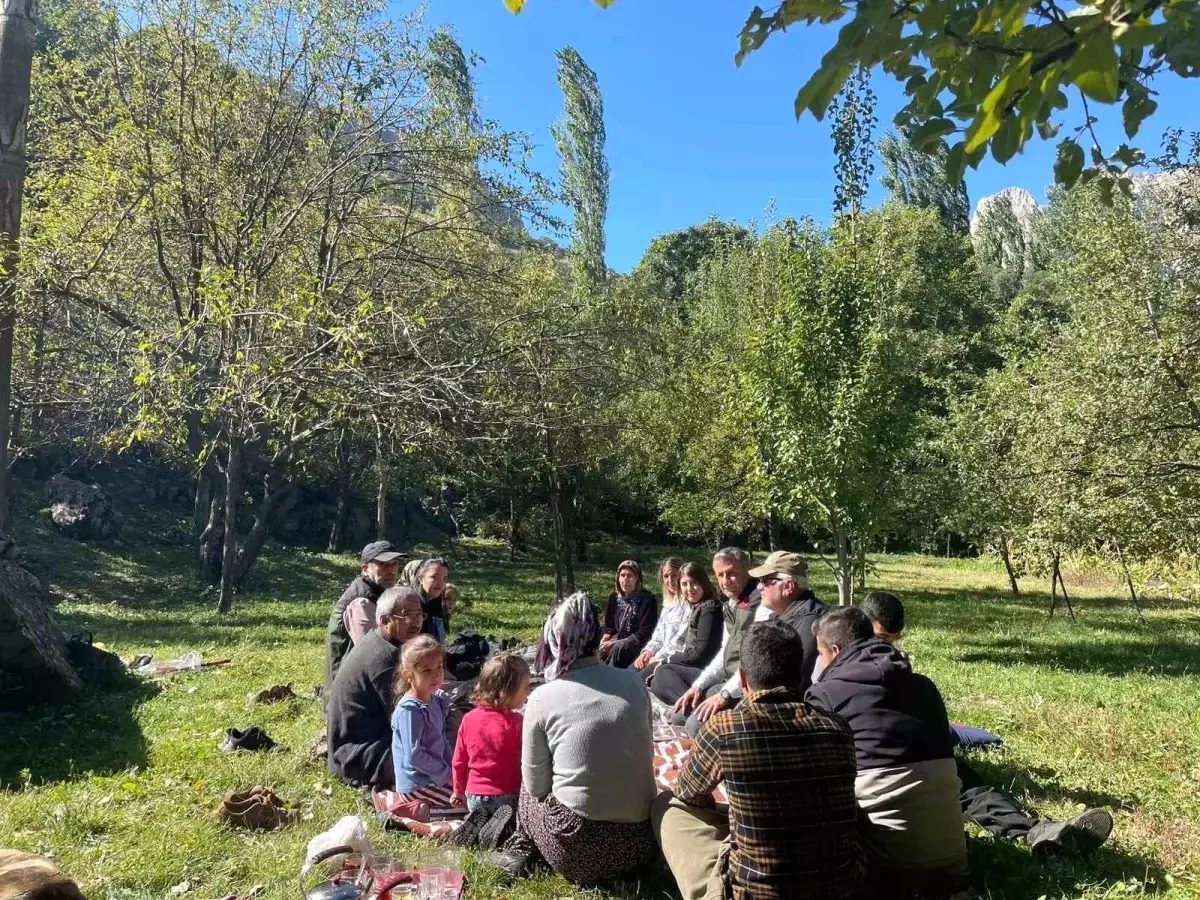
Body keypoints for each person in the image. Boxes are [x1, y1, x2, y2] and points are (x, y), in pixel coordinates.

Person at [859, 590, 1115, 855]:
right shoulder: (836, 664)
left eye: (893, 640)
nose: (886, 649)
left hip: (918, 749)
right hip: (872, 768)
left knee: (967, 781)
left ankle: (1039, 833)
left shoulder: (899, 668)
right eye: (881, 639)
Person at [654, 621, 864, 900]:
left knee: (668, 809)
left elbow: (687, 793)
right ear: (800, 675)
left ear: (743, 680)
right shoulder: (838, 728)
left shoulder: (725, 728)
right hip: (842, 888)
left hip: (754, 892)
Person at [806, 608, 968, 897]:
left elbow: (816, 778)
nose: (819, 662)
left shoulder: (825, 695)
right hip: (952, 860)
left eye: (820, 653)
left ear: (835, 650)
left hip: (884, 869)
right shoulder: (926, 687)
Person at [496, 592, 657, 883]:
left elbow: (537, 786)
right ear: (597, 635)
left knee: (527, 790)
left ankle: (520, 848)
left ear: (554, 640)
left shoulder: (543, 698)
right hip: (640, 843)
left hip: (578, 850)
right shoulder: (634, 682)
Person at [327, 587, 425, 789]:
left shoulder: (382, 643)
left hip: (371, 743)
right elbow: (407, 717)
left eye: (419, 615)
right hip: (360, 756)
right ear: (384, 620)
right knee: (442, 748)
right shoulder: (383, 658)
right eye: (407, 615)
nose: (416, 622)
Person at [671, 547, 759, 734]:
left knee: (694, 727)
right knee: (678, 715)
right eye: (720, 575)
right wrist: (698, 686)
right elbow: (723, 652)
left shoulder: (758, 604)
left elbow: (754, 663)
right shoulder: (730, 604)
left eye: (731, 573)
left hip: (746, 686)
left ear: (747, 570)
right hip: (726, 678)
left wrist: (724, 694)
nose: (725, 581)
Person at [324, 540, 405, 705]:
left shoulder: (380, 593)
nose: (391, 570)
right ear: (365, 568)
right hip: (351, 697)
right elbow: (374, 653)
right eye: (383, 564)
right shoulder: (361, 601)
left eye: (394, 564)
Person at [450, 654, 531, 813]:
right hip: (507, 795)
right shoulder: (517, 722)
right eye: (526, 687)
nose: (528, 692)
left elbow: (459, 760)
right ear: (506, 692)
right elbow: (528, 759)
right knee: (510, 821)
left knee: (483, 820)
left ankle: (479, 822)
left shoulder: (468, 719)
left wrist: (457, 791)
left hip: (474, 795)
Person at [647, 562, 724, 706]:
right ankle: (683, 705)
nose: (689, 589)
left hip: (705, 669)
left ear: (703, 583)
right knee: (656, 683)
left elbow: (700, 654)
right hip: (694, 665)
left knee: (663, 671)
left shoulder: (710, 609)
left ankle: (692, 707)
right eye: (684, 584)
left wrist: (667, 659)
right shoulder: (697, 606)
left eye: (694, 583)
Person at [391, 635, 452, 794]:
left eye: (439, 667)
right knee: (466, 802)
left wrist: (453, 769)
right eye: (427, 671)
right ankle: (409, 806)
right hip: (417, 784)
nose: (436, 675)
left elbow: (441, 740)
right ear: (408, 675)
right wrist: (446, 774)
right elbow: (414, 755)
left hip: (437, 775)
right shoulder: (410, 710)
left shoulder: (435, 700)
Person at [632, 557, 687, 680]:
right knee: (628, 673)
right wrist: (648, 652)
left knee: (636, 680)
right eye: (666, 576)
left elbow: (680, 642)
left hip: (673, 660)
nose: (670, 580)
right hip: (657, 655)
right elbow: (658, 636)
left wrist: (657, 657)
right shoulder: (668, 604)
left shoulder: (689, 605)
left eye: (674, 575)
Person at [599, 559, 659, 669]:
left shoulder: (647, 600)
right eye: (622, 575)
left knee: (618, 649)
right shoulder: (614, 598)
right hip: (617, 638)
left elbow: (645, 632)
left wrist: (615, 643)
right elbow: (609, 625)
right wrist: (606, 636)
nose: (625, 579)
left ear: (637, 579)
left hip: (636, 642)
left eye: (630, 576)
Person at [415, 557, 451, 641]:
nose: (440, 583)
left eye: (444, 578)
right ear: (421, 579)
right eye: (434, 577)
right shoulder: (411, 604)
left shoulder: (439, 602)